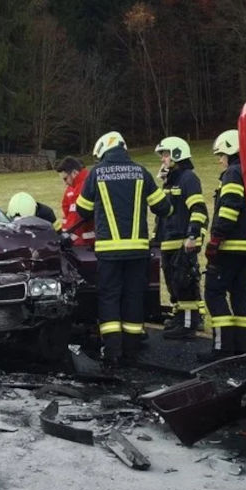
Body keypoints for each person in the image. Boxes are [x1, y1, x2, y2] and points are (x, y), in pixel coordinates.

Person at [75, 131, 171, 367]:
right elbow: (164, 208)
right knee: (133, 297)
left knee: (109, 297)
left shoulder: (97, 173)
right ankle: (131, 350)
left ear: (103, 151)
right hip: (138, 251)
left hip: (108, 252)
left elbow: (82, 210)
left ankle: (112, 351)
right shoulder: (141, 172)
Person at [202, 130, 246, 361]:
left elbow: (230, 207)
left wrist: (216, 239)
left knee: (214, 293)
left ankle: (222, 349)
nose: (219, 159)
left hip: (229, 245)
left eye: (222, 154)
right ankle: (244, 349)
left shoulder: (233, 173)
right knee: (241, 296)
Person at [155, 136, 208, 340]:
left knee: (185, 283)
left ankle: (188, 325)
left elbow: (198, 209)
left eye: (166, 154)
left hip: (182, 241)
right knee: (173, 283)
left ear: (177, 154)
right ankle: (179, 318)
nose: (163, 159)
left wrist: (193, 235)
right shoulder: (171, 180)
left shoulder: (188, 178)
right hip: (169, 241)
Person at [56, 157, 95, 247]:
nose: (65, 183)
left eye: (65, 179)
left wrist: (66, 238)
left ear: (74, 173)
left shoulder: (83, 187)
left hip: (85, 244)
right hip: (85, 241)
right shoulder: (83, 184)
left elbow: (76, 220)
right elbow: (66, 209)